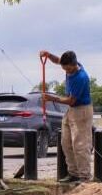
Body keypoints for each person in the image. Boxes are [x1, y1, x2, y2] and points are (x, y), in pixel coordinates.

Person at [39, 50, 92, 183]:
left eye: (67, 68)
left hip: (82, 110)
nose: (66, 71)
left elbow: (71, 100)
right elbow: (58, 61)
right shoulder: (70, 66)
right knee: (66, 143)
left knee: (80, 144)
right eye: (64, 68)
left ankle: (84, 176)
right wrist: (49, 55)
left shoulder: (81, 78)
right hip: (71, 111)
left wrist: (51, 98)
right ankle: (73, 173)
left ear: (74, 65)